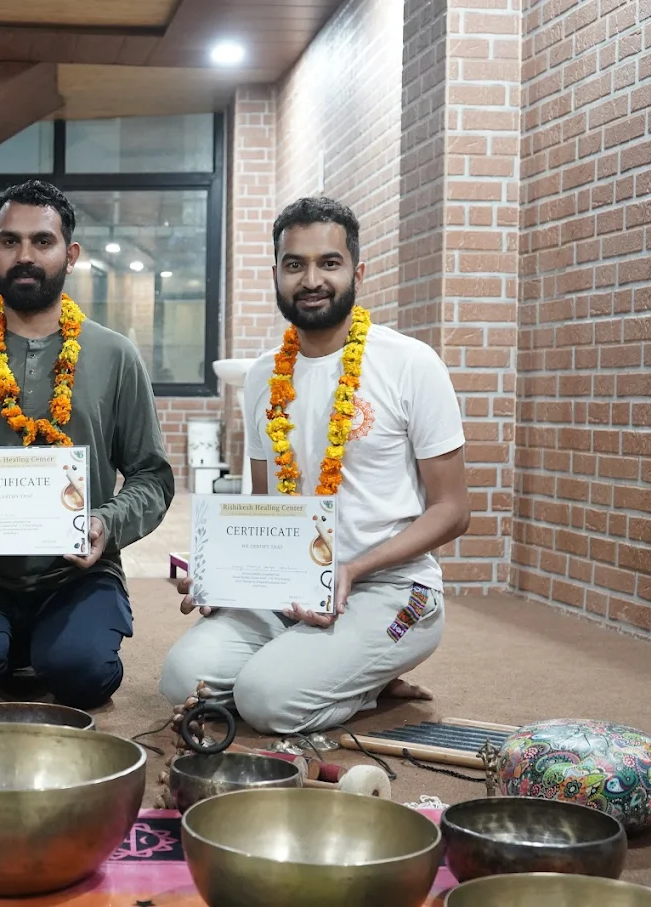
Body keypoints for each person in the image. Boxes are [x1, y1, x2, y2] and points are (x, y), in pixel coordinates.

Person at [159, 196, 471, 735]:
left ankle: (363, 680)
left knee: (265, 700)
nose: (311, 280)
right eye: (294, 264)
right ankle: (325, 666)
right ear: (276, 275)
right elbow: (265, 508)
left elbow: (453, 510)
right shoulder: (263, 376)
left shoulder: (410, 363)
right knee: (183, 680)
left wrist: (351, 569)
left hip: (393, 588)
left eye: (329, 263)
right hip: (293, 585)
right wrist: (227, 576)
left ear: (357, 272)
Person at [0, 179, 175, 710]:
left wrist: (105, 524)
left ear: (70, 254)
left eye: (42, 241)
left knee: (83, 674)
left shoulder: (115, 355)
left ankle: (48, 643)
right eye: (11, 241)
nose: (25, 255)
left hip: (76, 574)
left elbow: (151, 477)